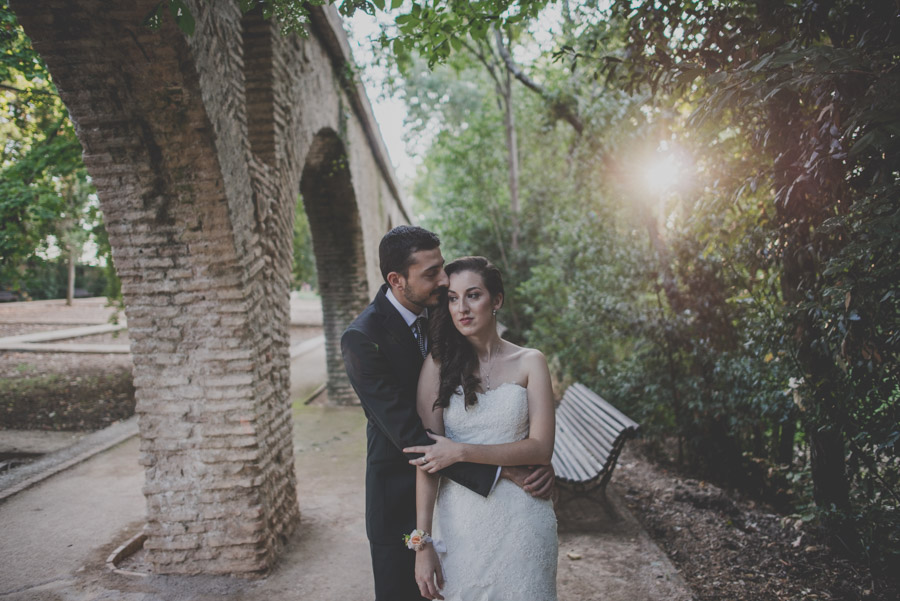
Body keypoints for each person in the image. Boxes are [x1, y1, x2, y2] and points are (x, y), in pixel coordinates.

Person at [341, 227, 554, 601]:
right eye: (432, 274)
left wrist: (534, 456)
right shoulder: (363, 338)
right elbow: (417, 441)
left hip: (502, 508)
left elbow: (536, 438)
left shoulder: (445, 303)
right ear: (397, 280)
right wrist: (506, 469)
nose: (445, 284)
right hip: (403, 498)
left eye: (442, 269)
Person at [403, 256, 559, 601]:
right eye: (453, 298)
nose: (462, 308)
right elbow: (427, 463)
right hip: (460, 522)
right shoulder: (437, 366)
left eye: (473, 295)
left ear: (497, 300)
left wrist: (460, 450)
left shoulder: (531, 361)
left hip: (524, 517)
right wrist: (421, 543)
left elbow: (540, 447)